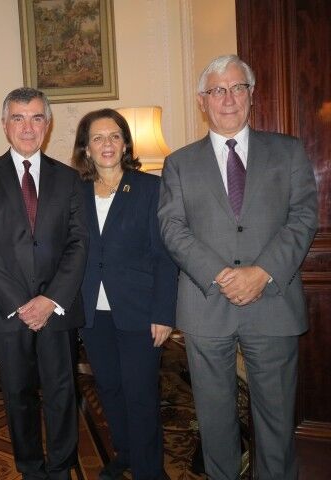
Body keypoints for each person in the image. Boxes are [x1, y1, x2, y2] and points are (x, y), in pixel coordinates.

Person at [158, 55, 318, 479]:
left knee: (277, 422)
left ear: (251, 94)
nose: (227, 98)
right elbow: (172, 228)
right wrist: (220, 275)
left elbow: (303, 217)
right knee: (214, 421)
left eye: (237, 88)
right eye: (217, 90)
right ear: (202, 101)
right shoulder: (179, 163)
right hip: (206, 304)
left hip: (274, 301)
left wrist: (261, 272)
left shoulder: (288, 151)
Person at [0, 87, 88, 480]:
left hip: (57, 308)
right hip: (9, 310)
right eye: (18, 118)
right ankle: (31, 470)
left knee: (62, 393)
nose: (28, 127)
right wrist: (21, 304)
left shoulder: (69, 179)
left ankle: (61, 468)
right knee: (17, 396)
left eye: (36, 118)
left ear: (47, 125)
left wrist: (50, 300)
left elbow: (78, 243)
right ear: (5, 125)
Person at [72, 109, 177, 480]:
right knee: (110, 389)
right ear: (86, 148)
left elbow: (164, 256)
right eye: (98, 138)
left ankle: (150, 470)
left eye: (114, 136)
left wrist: (163, 313)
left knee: (140, 394)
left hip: (140, 310)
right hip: (92, 311)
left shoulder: (149, 188)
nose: (107, 144)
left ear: (125, 144)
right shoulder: (75, 192)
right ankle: (126, 454)